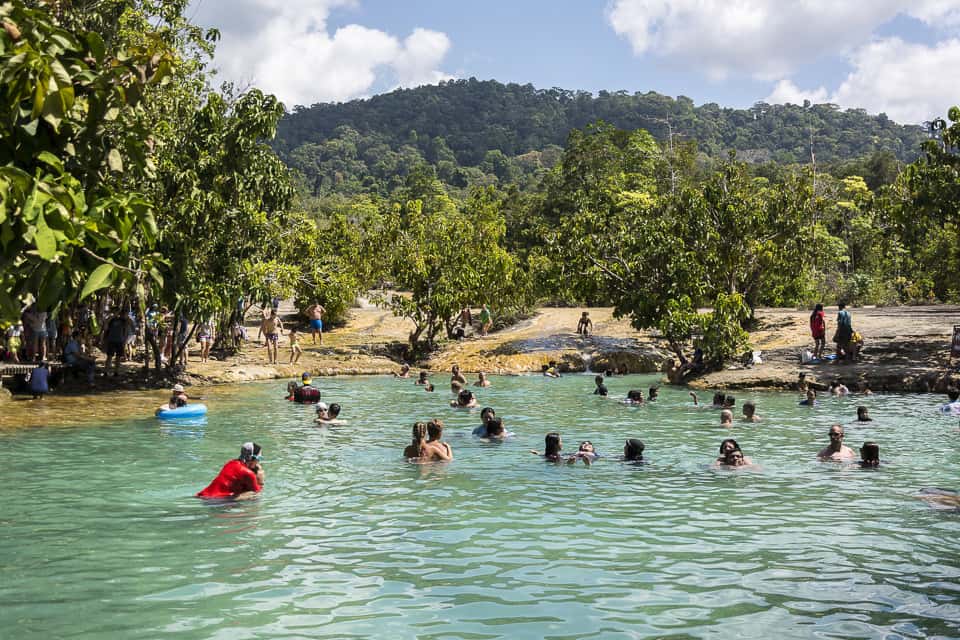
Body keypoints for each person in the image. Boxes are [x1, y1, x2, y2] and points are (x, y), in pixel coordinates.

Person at [197, 442, 263, 499]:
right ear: (252, 458)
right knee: (255, 494)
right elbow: (257, 492)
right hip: (216, 500)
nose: (259, 462)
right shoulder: (248, 473)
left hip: (202, 495)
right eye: (259, 458)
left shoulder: (231, 463)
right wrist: (260, 479)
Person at [103, 309, 128, 375]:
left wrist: (124, 341)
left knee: (118, 357)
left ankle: (116, 372)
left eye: (117, 312)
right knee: (109, 357)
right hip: (111, 340)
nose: (116, 313)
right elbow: (105, 328)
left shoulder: (123, 321)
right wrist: (111, 317)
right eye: (115, 312)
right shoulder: (111, 320)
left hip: (120, 341)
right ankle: (106, 371)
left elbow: (125, 331)